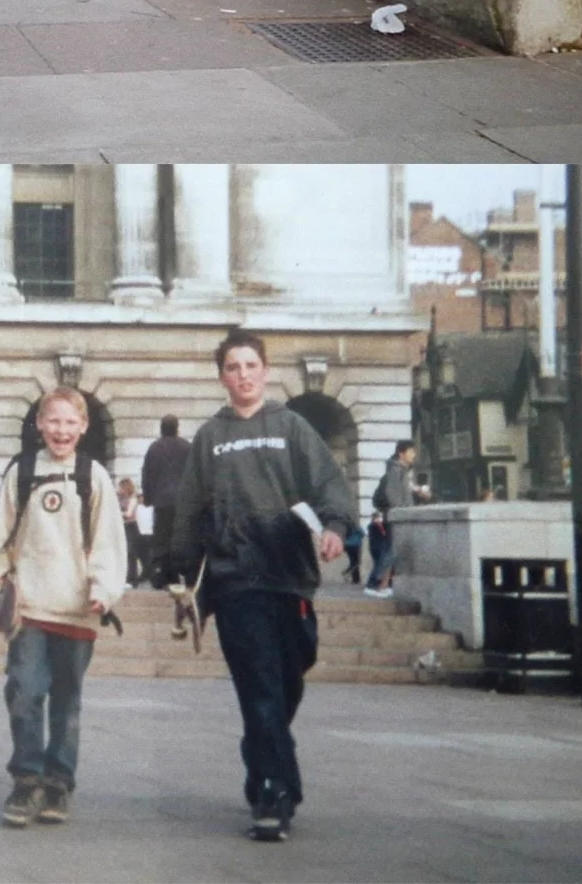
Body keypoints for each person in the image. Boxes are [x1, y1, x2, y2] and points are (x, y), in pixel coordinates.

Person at [171, 328, 356, 843]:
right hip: (235, 579)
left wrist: (336, 530)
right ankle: (272, 792)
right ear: (222, 376)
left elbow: (329, 488)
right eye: (233, 367)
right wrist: (182, 573)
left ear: (265, 370)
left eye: (251, 365)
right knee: (259, 685)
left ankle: (263, 761)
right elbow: (189, 508)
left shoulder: (291, 427)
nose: (243, 375)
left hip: (290, 576)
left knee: (288, 680)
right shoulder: (211, 436)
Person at [0, 386, 126, 829]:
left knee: (67, 699)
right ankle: (26, 778)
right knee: (24, 691)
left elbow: (108, 539)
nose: (61, 431)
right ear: (40, 424)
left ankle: (58, 783)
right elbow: (2, 534)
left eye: (70, 423)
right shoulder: (21, 471)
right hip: (29, 604)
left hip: (78, 606)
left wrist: (105, 588)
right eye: (53, 421)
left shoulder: (93, 475)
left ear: (83, 427)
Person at [364, 441, 429, 599]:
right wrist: (401, 511)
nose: (414, 455)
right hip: (397, 517)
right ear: (401, 453)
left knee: (391, 551)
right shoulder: (395, 469)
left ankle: (383, 585)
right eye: (411, 451)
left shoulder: (401, 470)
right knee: (390, 551)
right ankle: (375, 583)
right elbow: (392, 494)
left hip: (397, 515)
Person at [141, 414, 192, 589]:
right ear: (177, 428)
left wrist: (147, 498)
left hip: (161, 501)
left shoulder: (155, 447)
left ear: (162, 428)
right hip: (184, 501)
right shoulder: (187, 447)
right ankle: (181, 574)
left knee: (162, 539)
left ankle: (163, 575)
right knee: (181, 538)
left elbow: (147, 474)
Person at [117, 478, 144, 586]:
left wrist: (118, 512)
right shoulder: (119, 498)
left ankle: (132, 579)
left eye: (121, 487)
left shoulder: (132, 499)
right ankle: (125, 577)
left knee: (131, 553)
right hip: (123, 526)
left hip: (130, 526)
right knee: (124, 552)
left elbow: (128, 514)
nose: (119, 490)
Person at [364, 510, 388, 591]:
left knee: (376, 564)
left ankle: (373, 581)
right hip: (379, 546)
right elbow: (384, 533)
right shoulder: (377, 524)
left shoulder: (370, 525)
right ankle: (372, 581)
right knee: (378, 565)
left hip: (372, 547)